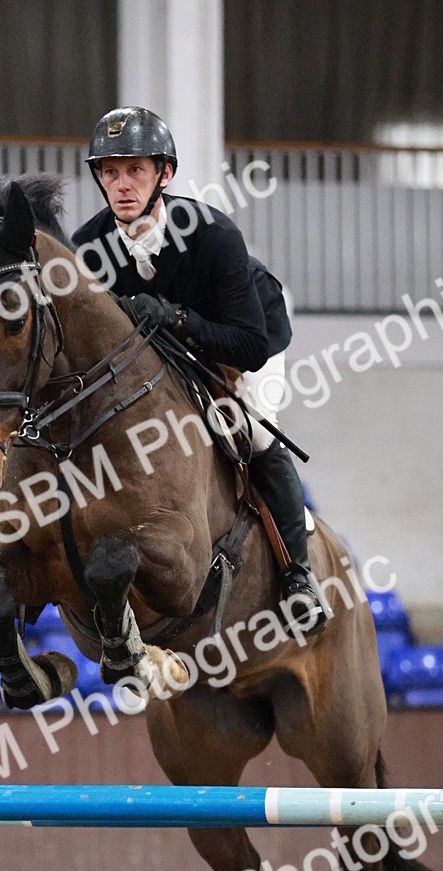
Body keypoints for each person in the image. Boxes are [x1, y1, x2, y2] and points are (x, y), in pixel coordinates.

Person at [71, 106, 326, 633]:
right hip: (163, 352)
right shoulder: (87, 248)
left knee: (250, 431)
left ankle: (298, 577)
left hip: (245, 334)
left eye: (135, 170)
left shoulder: (213, 234)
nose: (121, 185)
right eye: (110, 172)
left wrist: (176, 316)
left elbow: (249, 344)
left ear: (163, 174)